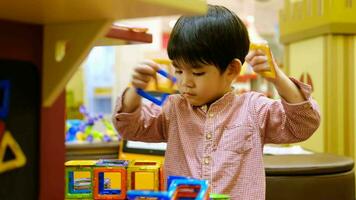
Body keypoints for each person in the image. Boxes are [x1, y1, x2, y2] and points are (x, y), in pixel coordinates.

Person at [112, 5, 320, 200]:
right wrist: (135, 90)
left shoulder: (254, 108)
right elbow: (130, 128)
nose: (185, 82)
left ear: (231, 70)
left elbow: (303, 125)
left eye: (197, 72)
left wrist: (278, 78)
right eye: (178, 70)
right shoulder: (173, 108)